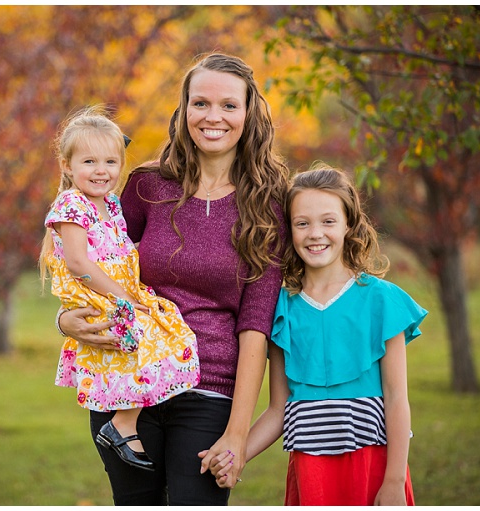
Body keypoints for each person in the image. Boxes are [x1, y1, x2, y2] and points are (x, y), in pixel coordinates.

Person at [56, 54, 289, 504]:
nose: (213, 117)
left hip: (209, 390)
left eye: (228, 105)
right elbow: (92, 262)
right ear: (183, 110)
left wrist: (238, 435)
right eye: (200, 103)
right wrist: (65, 321)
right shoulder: (146, 186)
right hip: (127, 385)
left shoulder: (268, 207)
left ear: (249, 114)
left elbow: (256, 325)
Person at [208, 165, 428, 505]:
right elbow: (278, 409)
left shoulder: (381, 301)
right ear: (289, 229)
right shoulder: (282, 309)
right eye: (302, 223)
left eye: (328, 221)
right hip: (311, 474)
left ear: (348, 225)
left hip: (373, 468)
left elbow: (397, 399)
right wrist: (236, 456)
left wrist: (395, 480)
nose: (315, 234)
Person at [40, 106, 200, 472]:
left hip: (118, 288)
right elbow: (80, 264)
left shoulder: (111, 203)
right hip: (95, 290)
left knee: (170, 330)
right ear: (67, 165)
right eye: (90, 161)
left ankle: (128, 418)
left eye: (111, 162)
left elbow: (120, 246)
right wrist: (123, 296)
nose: (102, 171)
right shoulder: (72, 204)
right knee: (142, 337)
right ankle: (122, 424)